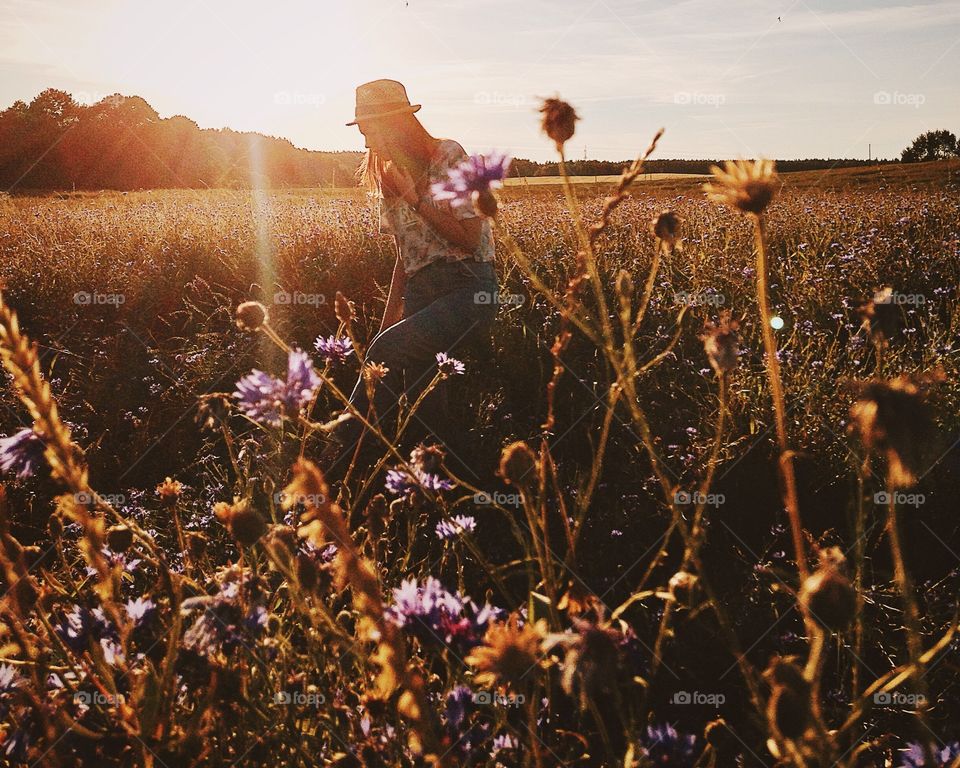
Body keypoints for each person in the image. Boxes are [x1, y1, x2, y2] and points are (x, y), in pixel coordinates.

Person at [324, 79, 498, 470]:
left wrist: (416, 200)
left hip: (467, 289)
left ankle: (328, 466)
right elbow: (403, 257)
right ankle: (467, 487)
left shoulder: (449, 155)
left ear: (395, 124)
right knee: (427, 414)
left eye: (369, 131)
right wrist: (386, 328)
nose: (366, 144)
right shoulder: (387, 175)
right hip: (422, 293)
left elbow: (471, 239)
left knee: (388, 361)